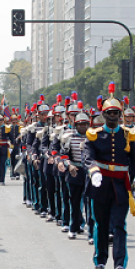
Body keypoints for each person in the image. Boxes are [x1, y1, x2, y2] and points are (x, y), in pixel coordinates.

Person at [83, 82, 135, 269]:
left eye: (116, 113)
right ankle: (99, 260)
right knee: (100, 223)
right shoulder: (94, 135)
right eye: (109, 113)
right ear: (104, 115)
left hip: (121, 185)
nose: (113, 116)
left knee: (119, 225)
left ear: (120, 114)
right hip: (100, 184)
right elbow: (87, 157)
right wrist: (93, 171)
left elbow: (134, 162)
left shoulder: (128, 135)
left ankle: (119, 262)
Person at [58, 103, 89, 240]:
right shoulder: (70, 137)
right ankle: (73, 227)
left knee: (89, 204)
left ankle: (91, 231)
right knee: (75, 202)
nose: (83, 127)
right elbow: (63, 155)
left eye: (85, 124)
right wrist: (69, 165)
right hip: (74, 172)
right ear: (76, 125)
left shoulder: (92, 138)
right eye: (80, 124)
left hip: (89, 173)